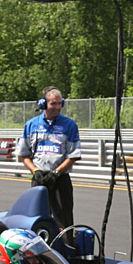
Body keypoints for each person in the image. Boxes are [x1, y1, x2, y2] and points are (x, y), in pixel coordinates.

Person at [16, 86, 81, 233]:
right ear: (43, 104)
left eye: (59, 103)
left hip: (60, 179)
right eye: (53, 104)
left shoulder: (69, 125)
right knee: (36, 219)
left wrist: (56, 172)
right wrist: (35, 171)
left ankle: (66, 249)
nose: (57, 107)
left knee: (63, 221)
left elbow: (73, 155)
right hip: (39, 178)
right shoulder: (31, 125)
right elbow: (24, 154)